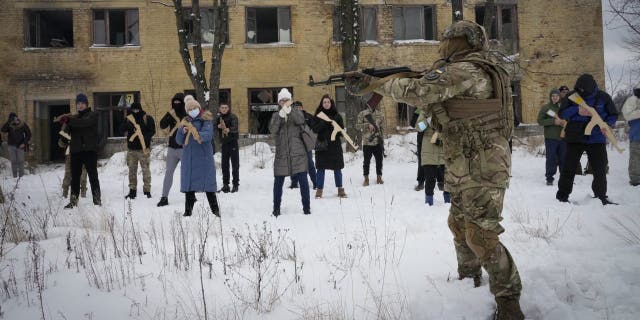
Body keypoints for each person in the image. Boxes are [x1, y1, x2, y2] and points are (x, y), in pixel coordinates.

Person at [346, 20, 524, 319]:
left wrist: (374, 84)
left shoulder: (469, 70)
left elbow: (421, 91)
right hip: (462, 162)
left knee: (481, 234)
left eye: (447, 40)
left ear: (463, 42)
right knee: (459, 225)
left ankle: (509, 304)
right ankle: (468, 283)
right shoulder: (461, 69)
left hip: (482, 164)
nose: (442, 45)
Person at [556, 74, 618, 205]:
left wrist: (608, 124)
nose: (580, 94)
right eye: (578, 91)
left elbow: (613, 114)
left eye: (583, 92)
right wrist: (576, 110)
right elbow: (562, 113)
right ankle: (562, 197)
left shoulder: (604, 97)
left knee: (600, 169)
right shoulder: (571, 95)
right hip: (574, 137)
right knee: (568, 168)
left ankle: (601, 196)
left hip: (596, 139)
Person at [175, 96, 220, 217]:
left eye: (195, 107)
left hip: (204, 158)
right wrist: (182, 132)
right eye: (190, 109)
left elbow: (207, 135)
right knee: (189, 187)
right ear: (187, 111)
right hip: (189, 158)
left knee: (209, 187)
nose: (193, 110)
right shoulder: (184, 122)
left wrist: (194, 132)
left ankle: (216, 212)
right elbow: (178, 141)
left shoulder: (206, 119)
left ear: (199, 107)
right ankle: (188, 212)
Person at [269, 89, 310, 216]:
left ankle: (307, 208)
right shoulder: (276, 115)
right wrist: (281, 116)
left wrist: (290, 111)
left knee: (303, 182)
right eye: (282, 100)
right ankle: (276, 208)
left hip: (298, 153)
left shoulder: (296, 111)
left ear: (290, 101)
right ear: (279, 102)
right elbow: (273, 130)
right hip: (282, 154)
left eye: (286, 100)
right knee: (278, 183)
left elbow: (300, 120)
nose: (284, 102)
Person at [62, 93, 102, 208]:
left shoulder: (93, 115)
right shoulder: (73, 119)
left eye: (82, 103)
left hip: (90, 151)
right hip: (76, 152)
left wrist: (69, 120)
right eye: (78, 103)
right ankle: (73, 201)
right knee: (75, 178)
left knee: (93, 177)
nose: (80, 105)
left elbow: (85, 123)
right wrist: (64, 128)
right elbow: (65, 135)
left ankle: (97, 200)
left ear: (86, 104)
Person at [312, 94, 347, 198]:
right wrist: (323, 122)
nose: (326, 104)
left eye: (328, 102)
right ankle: (319, 190)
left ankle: (340, 189)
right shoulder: (318, 115)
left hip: (334, 145)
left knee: (337, 168)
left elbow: (341, 132)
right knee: (320, 169)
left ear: (331, 103)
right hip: (322, 145)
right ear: (322, 104)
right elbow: (315, 129)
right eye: (324, 102)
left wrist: (336, 127)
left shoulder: (337, 116)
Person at [120, 102, 156, 199]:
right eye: (134, 110)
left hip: (144, 149)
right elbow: (121, 129)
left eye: (137, 109)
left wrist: (144, 138)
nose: (135, 111)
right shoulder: (128, 119)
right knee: (132, 171)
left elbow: (152, 131)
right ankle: (132, 191)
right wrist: (127, 125)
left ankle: (147, 191)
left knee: (146, 171)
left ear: (140, 109)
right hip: (132, 150)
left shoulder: (147, 118)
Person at [157, 93, 186, 207]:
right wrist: (169, 116)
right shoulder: (171, 113)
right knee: (168, 173)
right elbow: (162, 125)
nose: (176, 104)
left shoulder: (187, 114)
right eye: (175, 102)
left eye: (179, 102)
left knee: (186, 173)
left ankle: (190, 195)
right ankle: (164, 197)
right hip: (172, 148)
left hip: (184, 148)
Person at [415, 112, 450, 205]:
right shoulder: (425, 112)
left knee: (447, 179)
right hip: (428, 151)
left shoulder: (445, 109)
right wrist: (427, 120)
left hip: (444, 150)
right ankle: (429, 202)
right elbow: (419, 128)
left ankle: (448, 202)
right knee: (430, 179)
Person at [537, 89, 567, 185]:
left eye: (557, 96)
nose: (555, 97)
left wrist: (565, 122)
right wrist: (553, 122)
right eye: (553, 96)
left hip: (563, 137)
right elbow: (540, 121)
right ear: (550, 97)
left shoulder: (563, 107)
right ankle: (549, 178)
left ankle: (564, 177)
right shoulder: (546, 108)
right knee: (551, 158)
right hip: (551, 138)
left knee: (564, 158)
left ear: (559, 97)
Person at [356, 94, 386, 186]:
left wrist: (382, 140)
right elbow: (357, 126)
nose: (373, 104)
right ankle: (366, 178)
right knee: (366, 161)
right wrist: (367, 125)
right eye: (371, 103)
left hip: (377, 141)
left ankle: (379, 177)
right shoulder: (362, 114)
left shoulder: (380, 115)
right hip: (367, 141)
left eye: (375, 103)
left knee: (379, 160)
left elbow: (382, 128)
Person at [289, 101, 318, 190]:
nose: (297, 109)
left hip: (306, 144)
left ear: (302, 107)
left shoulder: (308, 117)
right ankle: (294, 183)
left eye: (299, 107)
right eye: (295, 107)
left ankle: (315, 183)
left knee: (309, 163)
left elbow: (315, 127)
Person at [214, 102, 240, 193]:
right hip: (224, 144)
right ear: (220, 109)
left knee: (235, 165)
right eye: (222, 107)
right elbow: (214, 127)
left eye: (225, 107)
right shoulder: (218, 118)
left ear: (228, 108)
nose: (224, 109)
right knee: (224, 165)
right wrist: (218, 126)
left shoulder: (233, 116)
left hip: (233, 143)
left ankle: (235, 184)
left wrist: (228, 129)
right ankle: (226, 185)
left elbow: (235, 127)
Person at [58, 127, 87, 198]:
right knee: (70, 172)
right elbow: (61, 142)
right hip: (73, 152)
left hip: (79, 151)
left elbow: (61, 143)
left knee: (80, 172)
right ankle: (66, 192)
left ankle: (81, 192)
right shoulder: (69, 124)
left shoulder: (70, 123)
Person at [1, 112, 31, 178]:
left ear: (17, 117)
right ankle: (14, 176)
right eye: (11, 118)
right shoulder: (9, 125)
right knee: (13, 161)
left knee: (20, 161)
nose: (13, 119)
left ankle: (21, 177)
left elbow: (28, 134)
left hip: (21, 145)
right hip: (11, 145)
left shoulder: (22, 124)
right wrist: (8, 122)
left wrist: (24, 143)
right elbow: (3, 130)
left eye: (14, 118)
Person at [622, 87, 640, 186]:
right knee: (635, 159)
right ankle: (635, 180)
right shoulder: (632, 100)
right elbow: (627, 115)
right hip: (637, 135)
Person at [410, 109, 426, 191]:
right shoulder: (419, 109)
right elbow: (413, 124)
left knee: (438, 159)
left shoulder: (436, 106)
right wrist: (426, 123)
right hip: (422, 138)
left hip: (435, 137)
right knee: (422, 160)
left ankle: (441, 182)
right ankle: (421, 182)